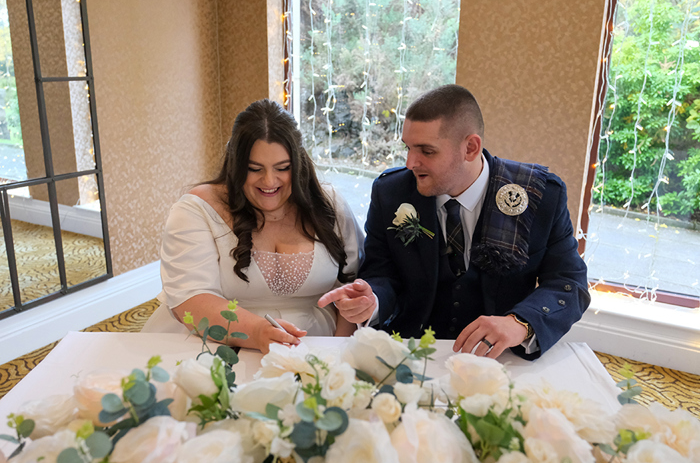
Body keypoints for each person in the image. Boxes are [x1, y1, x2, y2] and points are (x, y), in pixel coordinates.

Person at [319, 84, 590, 360]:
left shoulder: (539, 195)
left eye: (427, 151)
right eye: (408, 148)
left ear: (470, 148)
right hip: (408, 353)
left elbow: (569, 282)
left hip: (500, 359)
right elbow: (381, 273)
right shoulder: (391, 193)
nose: (411, 162)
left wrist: (520, 323)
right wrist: (372, 300)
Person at [143, 99, 364, 352]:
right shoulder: (196, 209)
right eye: (254, 169)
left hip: (315, 345)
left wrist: (337, 350)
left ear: (299, 163)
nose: (269, 181)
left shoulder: (330, 203)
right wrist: (257, 332)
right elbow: (190, 299)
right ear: (236, 164)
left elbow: (352, 287)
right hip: (215, 343)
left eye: (282, 168)